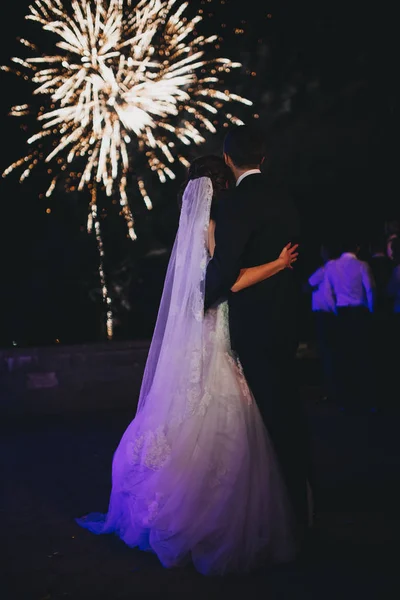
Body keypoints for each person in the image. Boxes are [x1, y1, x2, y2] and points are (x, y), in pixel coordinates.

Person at [76, 155, 300, 576]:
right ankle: (208, 519)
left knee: (180, 411)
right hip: (213, 334)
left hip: (190, 336)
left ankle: (164, 506)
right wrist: (277, 264)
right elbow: (226, 281)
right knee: (221, 410)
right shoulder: (214, 228)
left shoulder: (186, 231)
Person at [204, 126, 311, 545]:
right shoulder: (287, 198)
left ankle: (275, 512)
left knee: (260, 420)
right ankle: (302, 505)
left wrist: (204, 297)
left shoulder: (233, 204)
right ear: (263, 157)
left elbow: (226, 276)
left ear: (229, 160)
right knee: (289, 411)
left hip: (251, 327)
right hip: (286, 321)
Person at [322, 236, 376, 412]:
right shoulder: (362, 265)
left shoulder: (331, 266)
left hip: (342, 313)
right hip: (359, 313)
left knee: (344, 357)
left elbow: (328, 294)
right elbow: (369, 289)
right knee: (363, 356)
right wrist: (370, 310)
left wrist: (336, 312)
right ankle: (366, 401)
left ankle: (346, 401)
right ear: (358, 248)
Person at [306, 244, 337, 402]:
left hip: (324, 315)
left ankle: (329, 390)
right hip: (335, 315)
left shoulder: (325, 269)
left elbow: (308, 284)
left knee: (327, 352)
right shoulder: (336, 269)